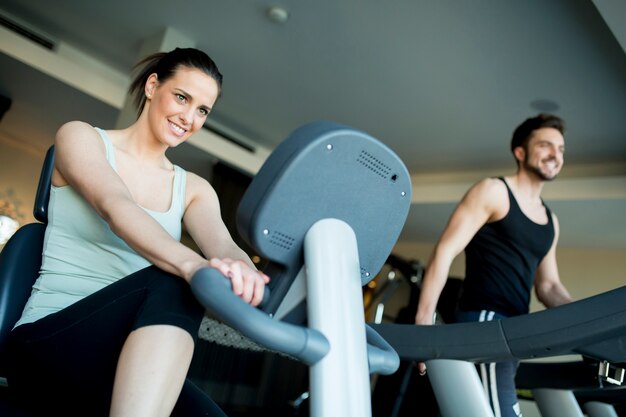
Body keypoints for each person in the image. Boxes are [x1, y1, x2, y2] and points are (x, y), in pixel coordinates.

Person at [6, 47, 269, 417]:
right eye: (182, 97)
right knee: (176, 280)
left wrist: (245, 272)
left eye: (202, 110)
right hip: (47, 342)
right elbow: (117, 207)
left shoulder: (193, 189)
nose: (189, 118)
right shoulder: (82, 138)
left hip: (121, 362)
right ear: (151, 86)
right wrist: (193, 268)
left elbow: (224, 245)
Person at [414, 113, 573, 417]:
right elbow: (445, 250)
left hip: (513, 332)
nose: (555, 154)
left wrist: (587, 318)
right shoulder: (494, 191)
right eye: (546, 145)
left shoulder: (550, 221)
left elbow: (548, 286)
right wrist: (424, 325)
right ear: (520, 152)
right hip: (485, 323)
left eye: (561, 148)